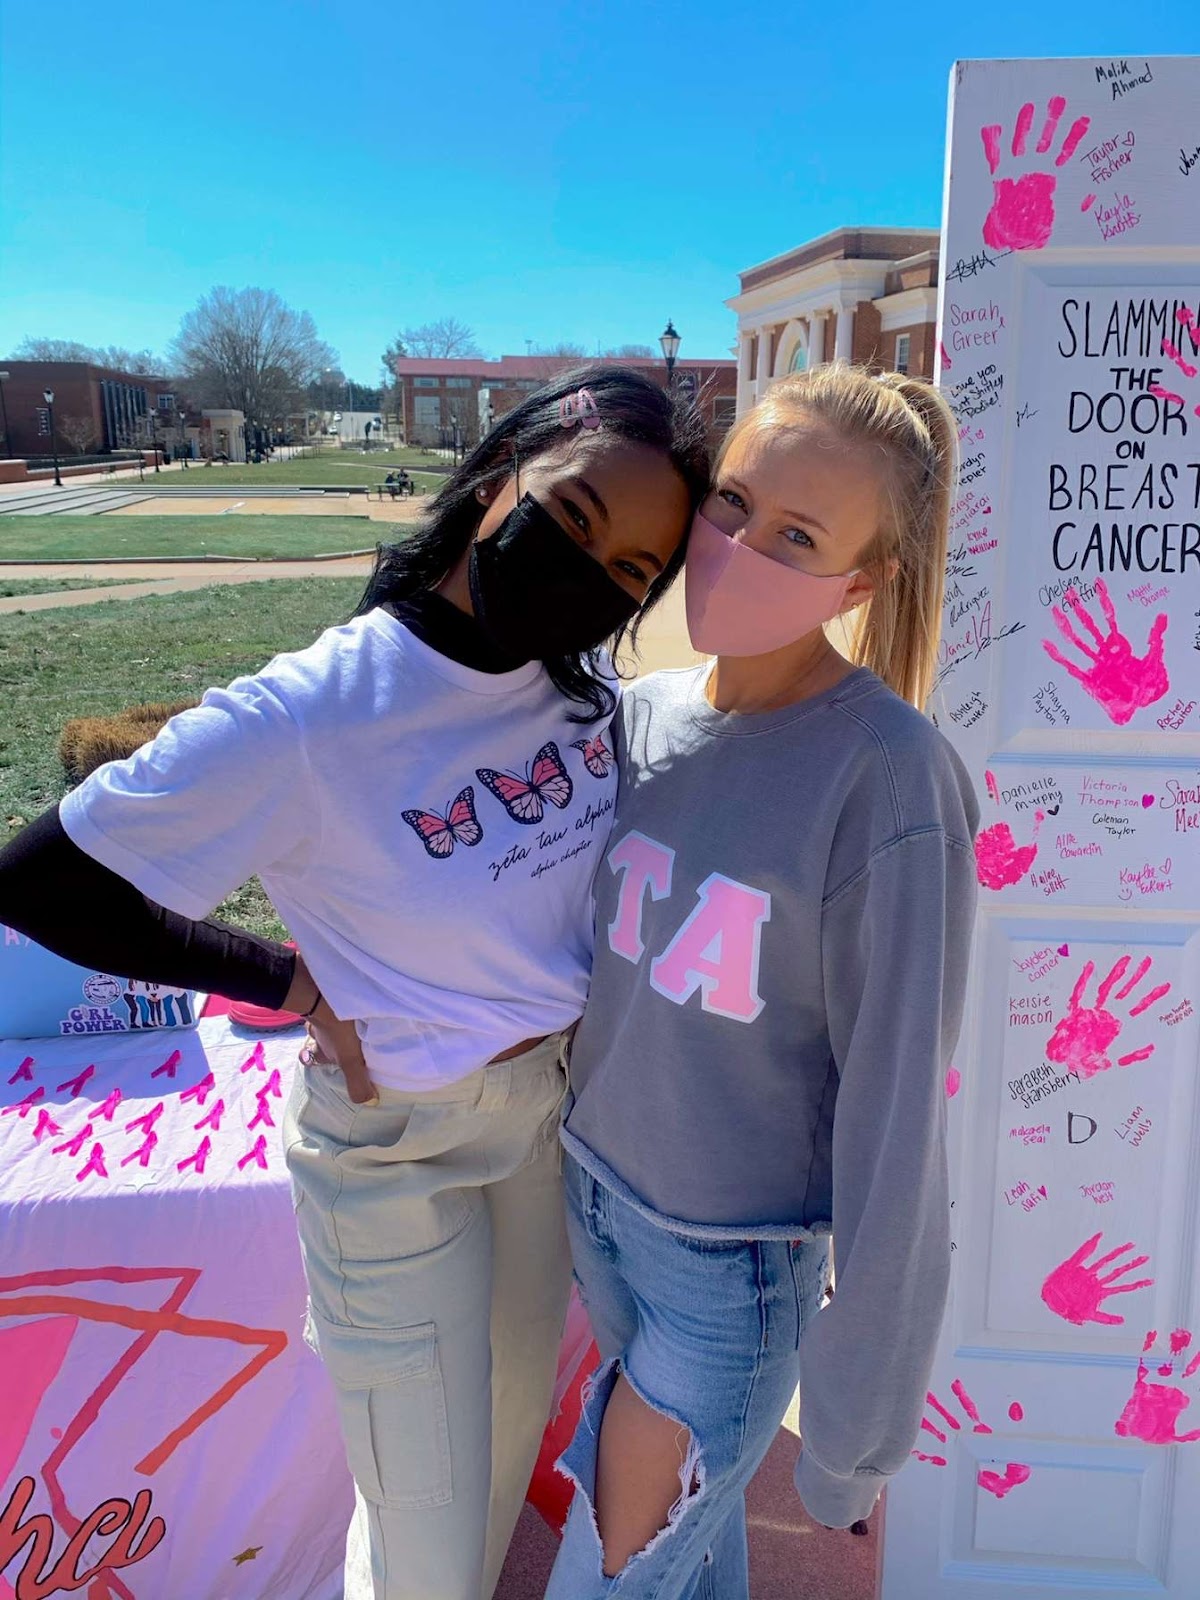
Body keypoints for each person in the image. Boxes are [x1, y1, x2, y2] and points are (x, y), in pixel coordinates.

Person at [0, 364, 709, 1600]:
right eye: (575, 514)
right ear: (501, 475)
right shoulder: (313, 713)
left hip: (544, 1132)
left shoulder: (572, 695)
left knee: (485, 1489)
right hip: (395, 1156)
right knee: (431, 1533)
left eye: (633, 572)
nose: (589, 568)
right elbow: (44, 880)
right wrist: (280, 975)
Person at [544, 364, 980, 1600]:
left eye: (797, 533)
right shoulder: (636, 720)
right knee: (686, 1570)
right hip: (599, 1215)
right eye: (731, 503)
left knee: (605, 1576)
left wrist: (852, 1431)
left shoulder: (889, 779)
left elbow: (898, 1118)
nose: (738, 545)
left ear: (863, 579)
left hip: (723, 1270)